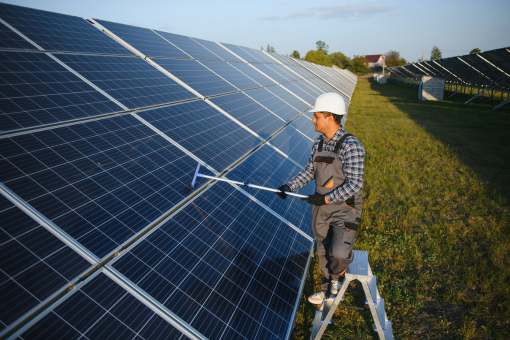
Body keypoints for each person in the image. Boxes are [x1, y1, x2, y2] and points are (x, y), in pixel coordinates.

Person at [276, 93, 365, 304]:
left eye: (316, 116)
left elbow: (354, 184)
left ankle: (339, 277)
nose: (312, 120)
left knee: (340, 254)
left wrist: (326, 199)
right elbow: (309, 171)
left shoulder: (351, 145)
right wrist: (289, 186)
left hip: (346, 208)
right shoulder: (318, 143)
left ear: (330, 117)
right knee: (323, 252)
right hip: (321, 209)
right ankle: (329, 290)